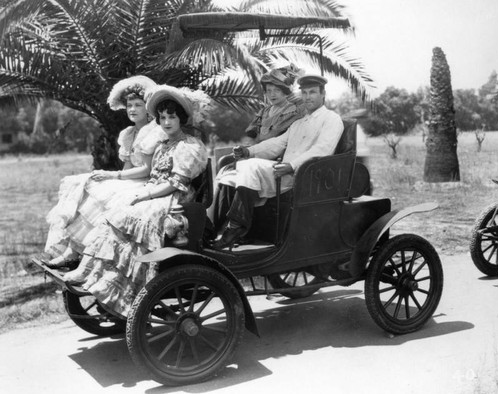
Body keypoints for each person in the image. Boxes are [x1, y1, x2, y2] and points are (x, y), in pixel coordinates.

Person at [62, 85, 208, 318]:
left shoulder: (189, 145)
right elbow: (151, 174)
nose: (167, 122)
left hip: (174, 198)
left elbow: (175, 183)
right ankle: (90, 271)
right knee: (113, 212)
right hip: (156, 190)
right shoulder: (163, 144)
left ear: (181, 118)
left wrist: (146, 195)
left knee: (130, 217)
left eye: (172, 117)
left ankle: (131, 289)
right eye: (162, 118)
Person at [44, 75, 166, 267]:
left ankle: (81, 254)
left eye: (137, 105)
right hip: (132, 179)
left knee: (105, 195)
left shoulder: (154, 131)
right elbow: (128, 168)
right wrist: (114, 180)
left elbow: (147, 169)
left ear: (148, 108)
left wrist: (114, 176)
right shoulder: (128, 134)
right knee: (84, 183)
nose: (132, 109)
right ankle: (73, 249)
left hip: (147, 182)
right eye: (129, 105)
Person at [212, 74, 344, 250]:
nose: (307, 97)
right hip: (283, 172)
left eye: (312, 92)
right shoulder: (300, 123)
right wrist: (248, 151)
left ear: (323, 94)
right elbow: (277, 144)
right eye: (304, 93)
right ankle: (228, 229)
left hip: (306, 177)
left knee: (249, 166)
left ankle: (236, 228)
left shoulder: (331, 119)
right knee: (238, 168)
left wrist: (292, 165)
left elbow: (322, 150)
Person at [212, 65, 305, 228]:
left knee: (238, 170)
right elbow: (251, 132)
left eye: (277, 90)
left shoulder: (292, 111)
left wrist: (254, 149)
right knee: (226, 172)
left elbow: (277, 139)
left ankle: (239, 226)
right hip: (257, 152)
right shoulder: (264, 111)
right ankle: (219, 224)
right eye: (269, 90)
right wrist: (246, 146)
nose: (272, 94)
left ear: (285, 91)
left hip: (276, 156)